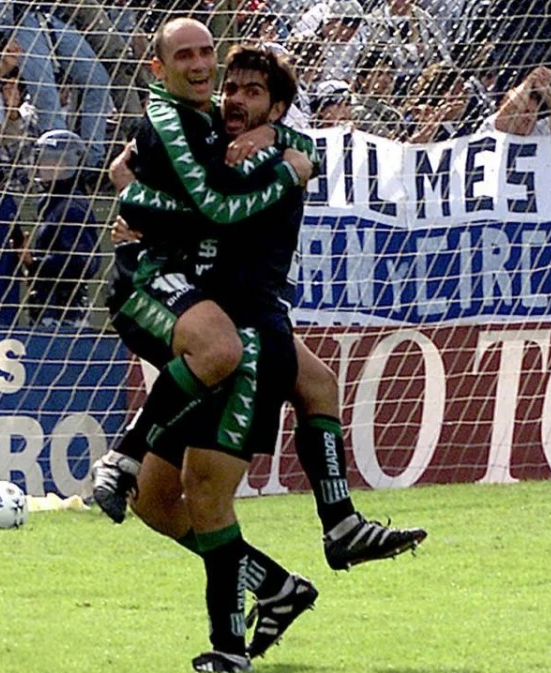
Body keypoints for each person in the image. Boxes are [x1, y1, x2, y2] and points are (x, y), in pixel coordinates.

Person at [95, 19, 423, 576]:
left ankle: (286, 570)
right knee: (168, 498)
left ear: (276, 108)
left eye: (250, 91)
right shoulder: (208, 137)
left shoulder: (255, 149)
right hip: (211, 315)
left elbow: (225, 195)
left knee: (187, 498)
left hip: (237, 321)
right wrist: (139, 200)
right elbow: (175, 186)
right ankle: (306, 551)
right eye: (233, 87)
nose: (231, 94)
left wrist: (282, 146)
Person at [22, 130, 100, 329]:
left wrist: (35, 262)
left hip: (66, 311)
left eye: (54, 161)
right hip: (46, 304)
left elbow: (85, 262)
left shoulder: (72, 207)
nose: (45, 166)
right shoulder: (51, 203)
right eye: (44, 160)